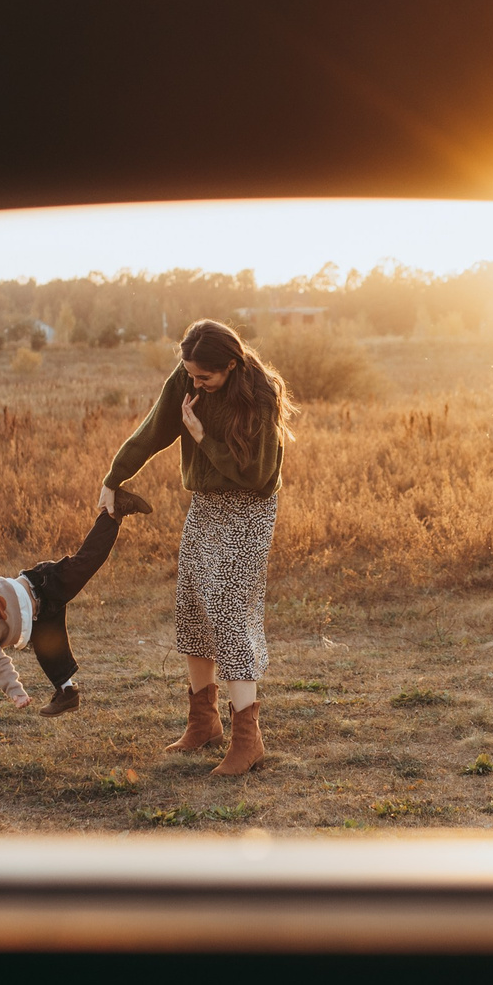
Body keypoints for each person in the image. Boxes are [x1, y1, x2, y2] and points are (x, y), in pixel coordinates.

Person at [100, 318, 290, 776]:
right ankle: (203, 722)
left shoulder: (260, 396)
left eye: (205, 377)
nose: (195, 383)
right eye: (190, 374)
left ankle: (248, 738)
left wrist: (204, 438)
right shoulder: (187, 378)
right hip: (206, 504)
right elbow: (154, 430)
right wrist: (113, 478)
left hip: (248, 509)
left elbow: (259, 479)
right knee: (192, 606)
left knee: (227, 608)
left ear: (231, 365)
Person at [0, 488, 155, 711]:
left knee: (86, 562)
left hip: (41, 586)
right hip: (38, 620)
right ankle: (67, 693)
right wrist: (16, 692)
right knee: (51, 653)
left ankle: (113, 511)